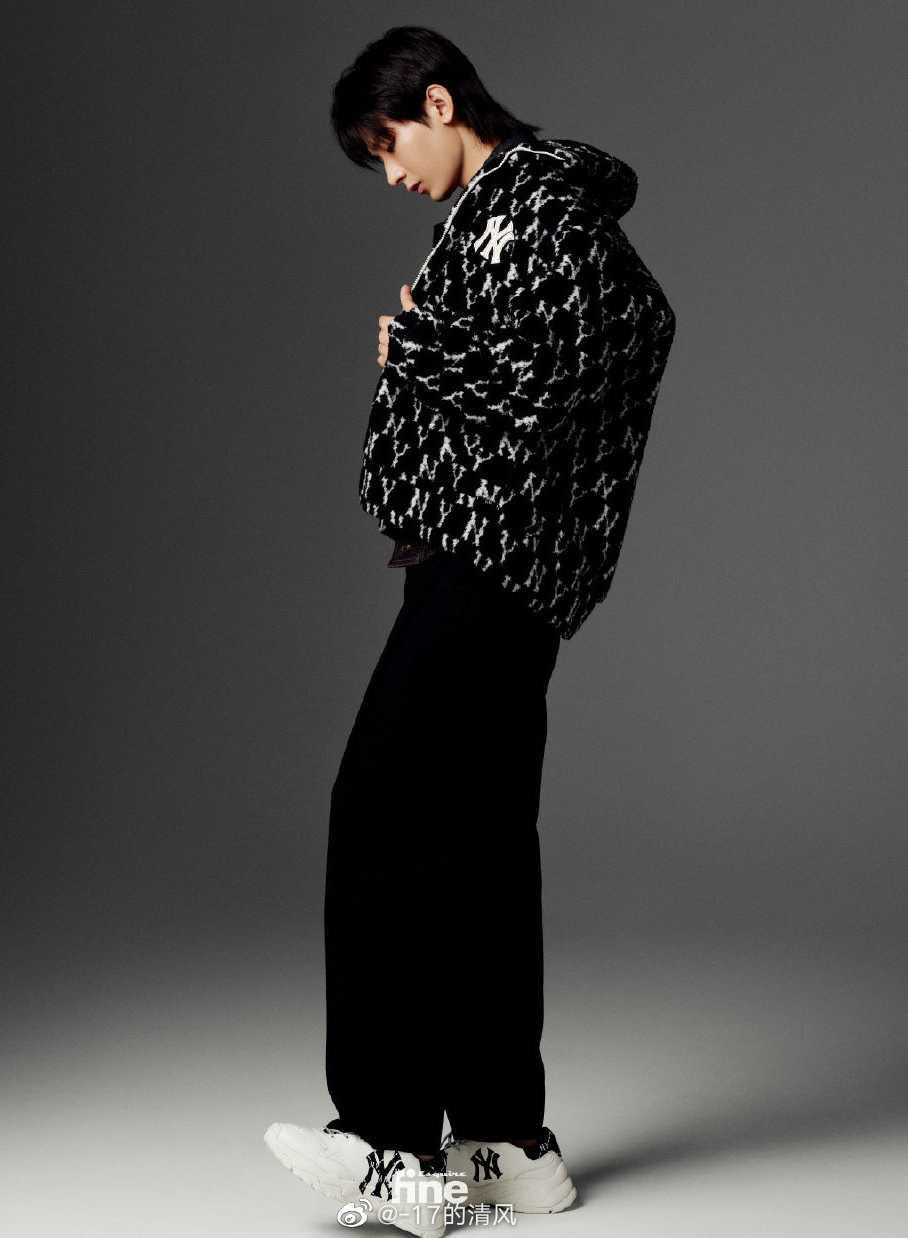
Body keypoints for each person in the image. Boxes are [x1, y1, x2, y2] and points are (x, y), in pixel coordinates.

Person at [264, 25, 676, 1238]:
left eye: (388, 142)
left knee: (381, 805)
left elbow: (611, 348)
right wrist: (434, 359)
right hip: (492, 555)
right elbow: (545, 366)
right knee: (479, 836)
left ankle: (386, 1139)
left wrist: (424, 351)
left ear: (440, 102)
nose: (390, 172)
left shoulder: (534, 205)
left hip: (495, 560)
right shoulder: (501, 211)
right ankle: (505, 1142)